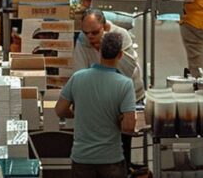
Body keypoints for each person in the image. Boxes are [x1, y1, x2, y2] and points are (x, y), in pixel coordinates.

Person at [55, 30, 137, 178]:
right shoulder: (125, 84)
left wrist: (77, 113)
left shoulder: (78, 78)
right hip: (111, 159)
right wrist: (116, 119)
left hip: (82, 158)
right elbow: (129, 127)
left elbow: (60, 110)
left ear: (99, 51)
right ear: (120, 55)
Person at [73, 9, 144, 100]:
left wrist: (109, 47)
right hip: (101, 97)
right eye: (86, 32)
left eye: (95, 32)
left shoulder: (121, 34)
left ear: (105, 27)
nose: (90, 36)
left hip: (131, 95)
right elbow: (79, 73)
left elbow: (127, 71)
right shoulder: (83, 39)